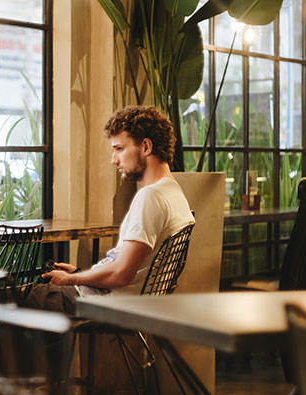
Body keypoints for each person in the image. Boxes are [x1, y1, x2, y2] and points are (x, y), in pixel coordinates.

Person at [27, 105, 195, 314]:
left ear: (145, 147)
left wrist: (72, 279)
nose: (113, 159)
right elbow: (128, 267)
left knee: (0, 298)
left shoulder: (152, 196)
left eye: (119, 149)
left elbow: (122, 274)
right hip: (120, 299)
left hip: (107, 303)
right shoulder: (174, 193)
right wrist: (81, 273)